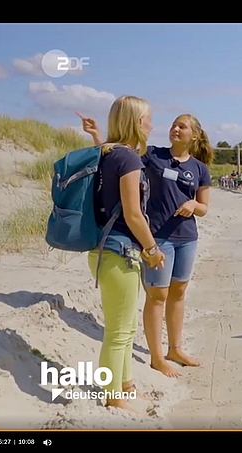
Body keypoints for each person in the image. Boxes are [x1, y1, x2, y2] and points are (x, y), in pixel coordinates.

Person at [82, 113, 213, 378]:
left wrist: (193, 205)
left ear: (194, 135)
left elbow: (204, 207)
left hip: (186, 238)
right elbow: (116, 156)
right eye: (174, 124)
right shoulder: (151, 155)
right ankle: (156, 357)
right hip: (156, 238)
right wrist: (97, 137)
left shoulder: (200, 168)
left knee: (178, 293)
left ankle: (175, 349)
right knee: (157, 296)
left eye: (182, 126)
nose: (175, 128)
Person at [82, 96, 164, 411]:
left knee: (126, 327)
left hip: (107, 250)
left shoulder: (109, 153)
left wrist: (95, 136)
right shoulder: (128, 159)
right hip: (120, 251)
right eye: (148, 118)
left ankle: (125, 386)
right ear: (136, 122)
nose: (152, 124)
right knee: (118, 331)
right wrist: (152, 249)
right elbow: (133, 213)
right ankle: (113, 396)